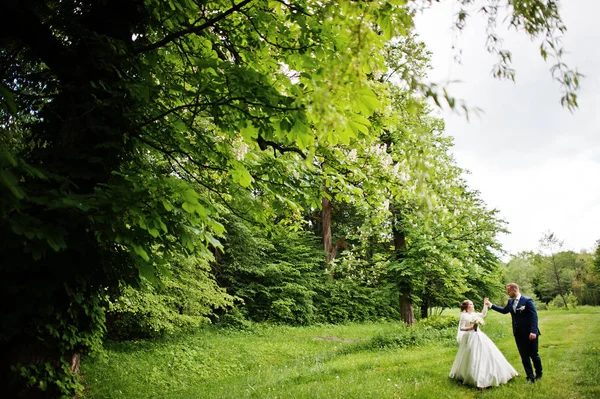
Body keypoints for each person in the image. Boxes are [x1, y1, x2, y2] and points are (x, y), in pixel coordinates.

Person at [449, 300, 518, 390]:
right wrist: (471, 327)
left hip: (479, 335)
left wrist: (486, 305)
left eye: (473, 304)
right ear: (466, 306)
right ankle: (475, 378)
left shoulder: (474, 314)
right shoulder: (464, 316)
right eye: (470, 304)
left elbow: (483, 314)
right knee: (473, 355)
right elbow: (462, 328)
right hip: (470, 337)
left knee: (488, 353)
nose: (472, 305)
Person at [485, 283, 543, 383]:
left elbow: (534, 317)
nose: (508, 294)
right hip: (518, 334)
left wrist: (533, 331)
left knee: (534, 355)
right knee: (524, 356)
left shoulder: (527, 301)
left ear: (514, 290)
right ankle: (530, 377)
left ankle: (539, 373)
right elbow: (504, 311)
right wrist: (490, 305)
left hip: (530, 333)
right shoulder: (510, 301)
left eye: (508, 291)